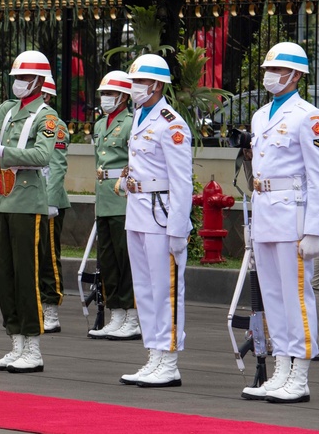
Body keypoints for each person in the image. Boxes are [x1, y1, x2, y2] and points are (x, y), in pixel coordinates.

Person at [242, 42, 319, 403]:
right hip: (265, 213)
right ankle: (282, 367)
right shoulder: (261, 116)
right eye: (268, 70)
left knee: (296, 298)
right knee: (273, 297)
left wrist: (314, 230)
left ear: (295, 75)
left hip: (293, 216)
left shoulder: (310, 116)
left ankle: (301, 373)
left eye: (276, 71)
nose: (269, 76)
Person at [0, 50, 57, 373]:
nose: (17, 83)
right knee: (4, 274)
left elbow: (43, 155)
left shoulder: (46, 117)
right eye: (15, 78)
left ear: (38, 82)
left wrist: (4, 152)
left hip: (27, 204)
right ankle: (15, 342)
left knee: (26, 274)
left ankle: (33, 345)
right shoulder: (5, 111)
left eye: (23, 78)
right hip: (1, 201)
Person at [118, 53, 192, 388]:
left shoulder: (171, 123)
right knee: (145, 290)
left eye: (140, 83)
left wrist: (179, 228)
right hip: (137, 211)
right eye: (132, 82)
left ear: (157, 85)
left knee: (166, 290)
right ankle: (154, 354)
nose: (134, 88)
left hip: (161, 215)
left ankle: (169, 359)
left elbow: (182, 180)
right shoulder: (140, 116)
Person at [89, 71, 140, 341]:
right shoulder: (99, 125)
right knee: (107, 260)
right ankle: (116, 314)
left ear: (123, 97)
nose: (105, 98)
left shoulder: (131, 123)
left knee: (126, 260)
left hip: (123, 199)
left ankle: (132, 316)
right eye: (103, 94)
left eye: (110, 94)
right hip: (105, 200)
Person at [39, 76, 70, 334]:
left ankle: (51, 306)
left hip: (49, 201)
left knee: (49, 255)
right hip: (30, 200)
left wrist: (49, 202)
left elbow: (57, 166)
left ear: (46, 96)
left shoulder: (55, 126)